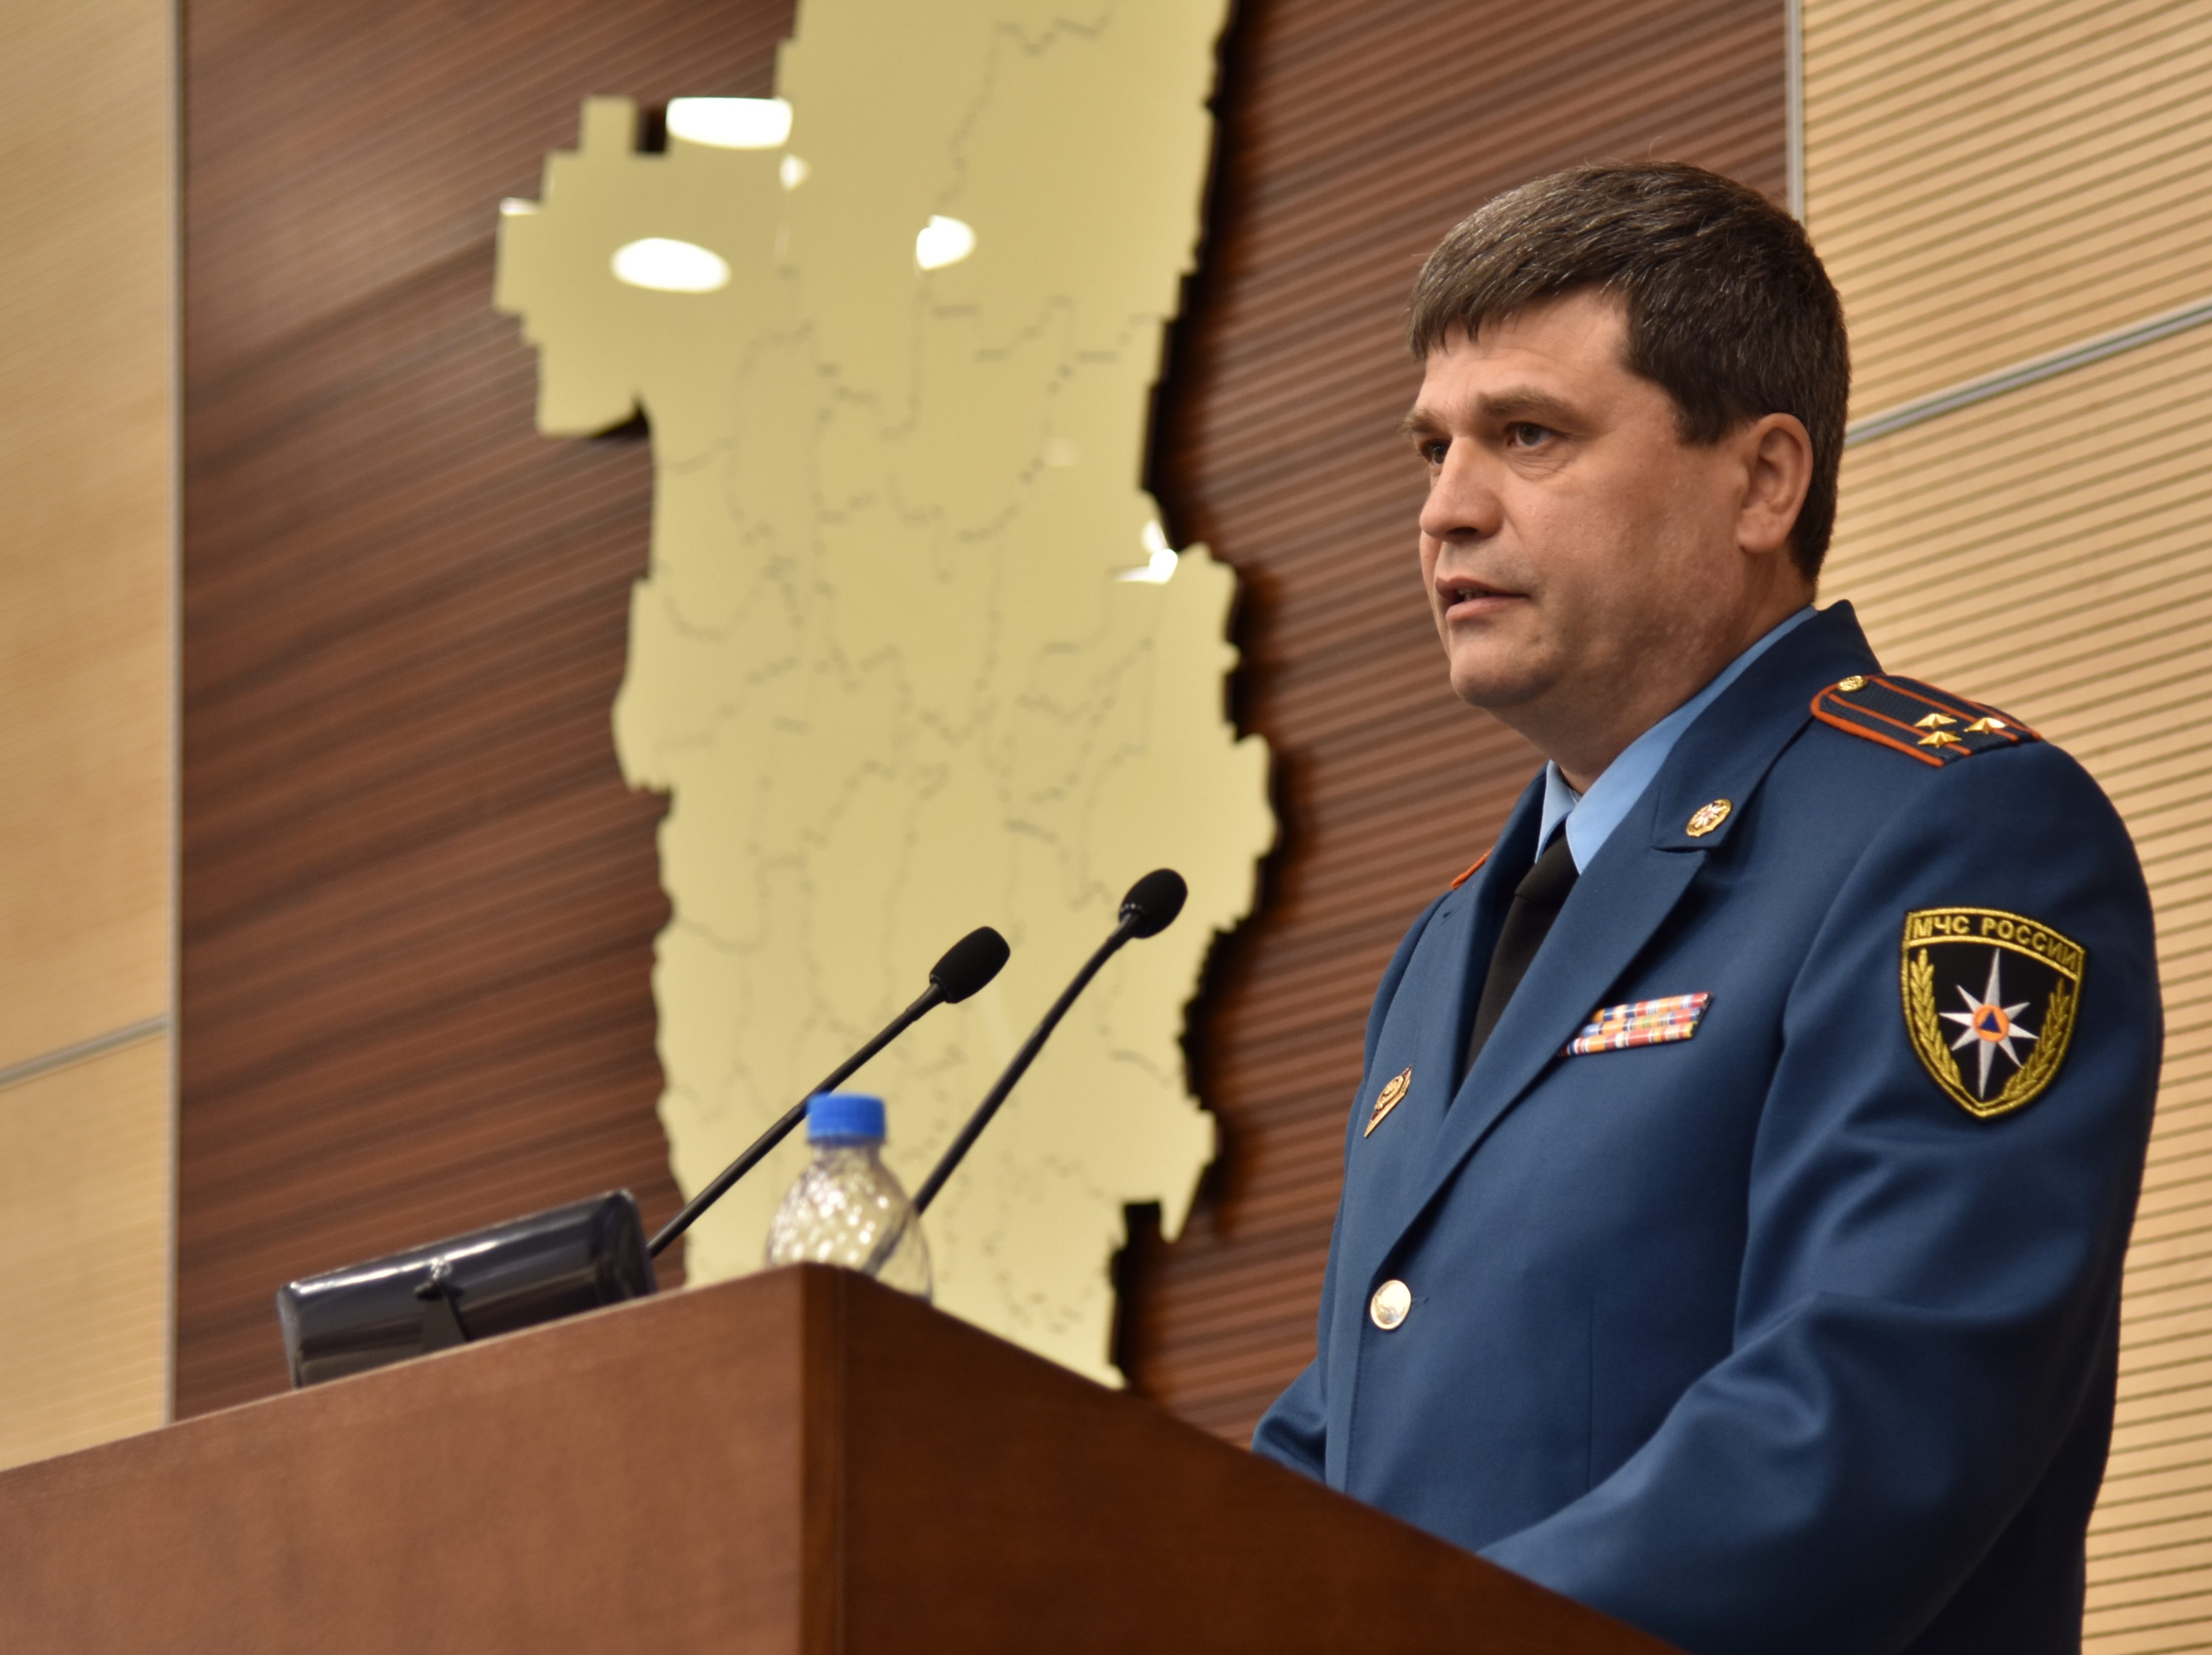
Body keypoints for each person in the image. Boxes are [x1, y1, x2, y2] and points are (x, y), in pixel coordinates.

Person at [1250, 162, 2159, 1655]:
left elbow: (1873, 1415)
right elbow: (1346, 1439)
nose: (1444, 511)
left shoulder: (1949, 833)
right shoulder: (1447, 945)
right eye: (1430, 448)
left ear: (1760, 483)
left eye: (1526, 436)